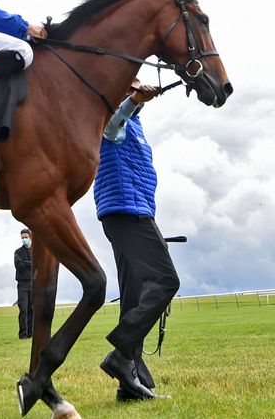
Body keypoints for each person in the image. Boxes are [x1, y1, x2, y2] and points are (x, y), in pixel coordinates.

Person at [94, 78, 179, 402]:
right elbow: (111, 129)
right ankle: (120, 355)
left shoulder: (136, 122)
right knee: (166, 281)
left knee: (135, 295)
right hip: (127, 211)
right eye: (130, 84)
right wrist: (132, 101)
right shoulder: (110, 114)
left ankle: (130, 384)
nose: (137, 87)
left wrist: (136, 103)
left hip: (135, 212)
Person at [14, 228, 33, 339]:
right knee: (23, 310)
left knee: (32, 310)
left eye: (26, 237)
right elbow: (18, 266)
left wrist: (26, 263)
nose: (24, 239)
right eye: (22, 238)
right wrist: (31, 263)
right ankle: (23, 335)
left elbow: (38, 266)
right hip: (22, 285)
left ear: (30, 237)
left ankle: (31, 333)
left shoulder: (35, 251)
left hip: (33, 283)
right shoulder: (18, 252)